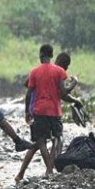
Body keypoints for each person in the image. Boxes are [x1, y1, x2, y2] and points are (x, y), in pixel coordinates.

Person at [15, 50, 80, 182]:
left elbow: (27, 85)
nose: (66, 69)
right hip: (51, 111)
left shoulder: (38, 71)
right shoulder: (58, 72)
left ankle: (21, 174)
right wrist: (75, 88)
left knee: (37, 143)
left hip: (36, 110)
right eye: (67, 66)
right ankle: (49, 170)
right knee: (57, 140)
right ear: (64, 64)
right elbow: (63, 94)